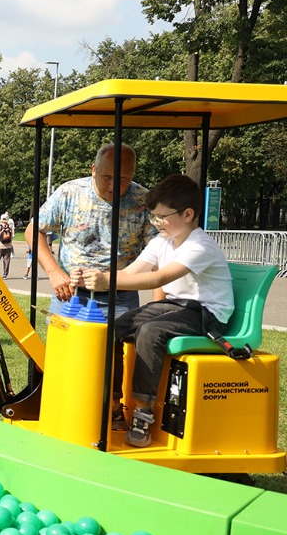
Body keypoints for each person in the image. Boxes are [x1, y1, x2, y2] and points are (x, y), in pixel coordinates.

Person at [75, 175, 232, 448]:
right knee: (115, 326)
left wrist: (106, 280)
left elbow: (158, 279)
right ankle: (111, 403)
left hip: (207, 313)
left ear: (188, 214)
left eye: (161, 217)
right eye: (153, 217)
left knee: (150, 331)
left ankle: (143, 413)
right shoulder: (163, 241)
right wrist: (95, 275)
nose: (156, 223)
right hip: (177, 306)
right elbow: (129, 273)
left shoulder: (199, 245)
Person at [26, 143, 156, 315]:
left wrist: (157, 304)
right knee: (64, 341)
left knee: (119, 342)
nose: (113, 185)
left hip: (121, 298)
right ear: (94, 169)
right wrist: (55, 273)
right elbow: (33, 230)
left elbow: (160, 254)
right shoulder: (70, 193)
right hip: (71, 294)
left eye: (123, 179)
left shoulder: (143, 202)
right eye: (107, 177)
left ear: (133, 173)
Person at [0, 212, 15, 278]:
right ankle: (5, 275)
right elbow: (12, 236)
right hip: (8, 247)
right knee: (6, 260)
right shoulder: (10, 227)